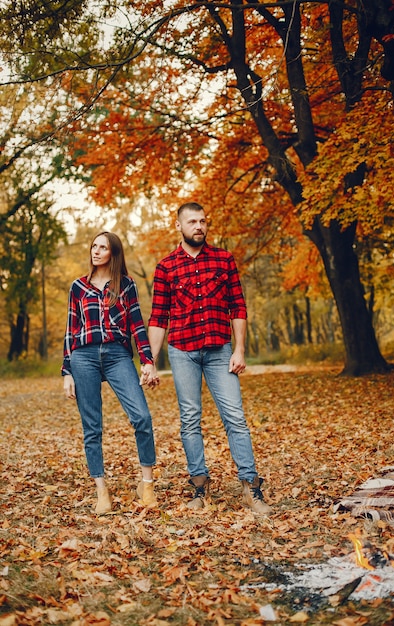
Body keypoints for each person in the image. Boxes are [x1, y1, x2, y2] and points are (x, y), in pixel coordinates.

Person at [148, 202, 272, 515]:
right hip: (182, 352)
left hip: (220, 351)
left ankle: (250, 487)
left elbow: (238, 307)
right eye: (192, 222)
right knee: (190, 419)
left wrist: (240, 349)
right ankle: (199, 487)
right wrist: (149, 361)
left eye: (203, 221)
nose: (199, 226)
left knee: (235, 417)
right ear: (178, 226)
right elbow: (158, 318)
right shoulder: (165, 268)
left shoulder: (223, 259)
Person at [62, 231, 159, 515]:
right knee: (92, 427)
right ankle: (102, 490)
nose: (96, 251)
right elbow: (70, 330)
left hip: (117, 355)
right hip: (84, 356)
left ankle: (147, 484)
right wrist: (67, 371)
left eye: (103, 247)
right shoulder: (78, 287)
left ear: (113, 253)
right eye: (94, 246)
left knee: (141, 416)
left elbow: (137, 326)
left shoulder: (126, 285)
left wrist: (147, 361)